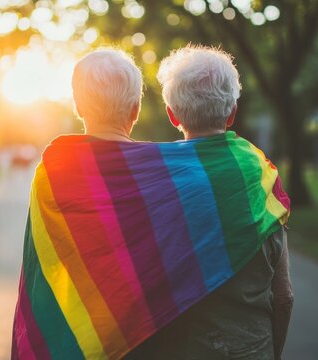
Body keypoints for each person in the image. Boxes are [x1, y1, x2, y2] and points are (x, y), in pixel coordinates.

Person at [11, 47, 291, 360]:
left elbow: (46, 270)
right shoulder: (250, 173)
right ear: (136, 109)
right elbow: (283, 295)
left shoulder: (64, 173)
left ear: (172, 115)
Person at [125, 45, 294, 359]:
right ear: (232, 113)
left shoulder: (154, 183)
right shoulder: (261, 179)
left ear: (172, 115)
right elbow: (283, 297)